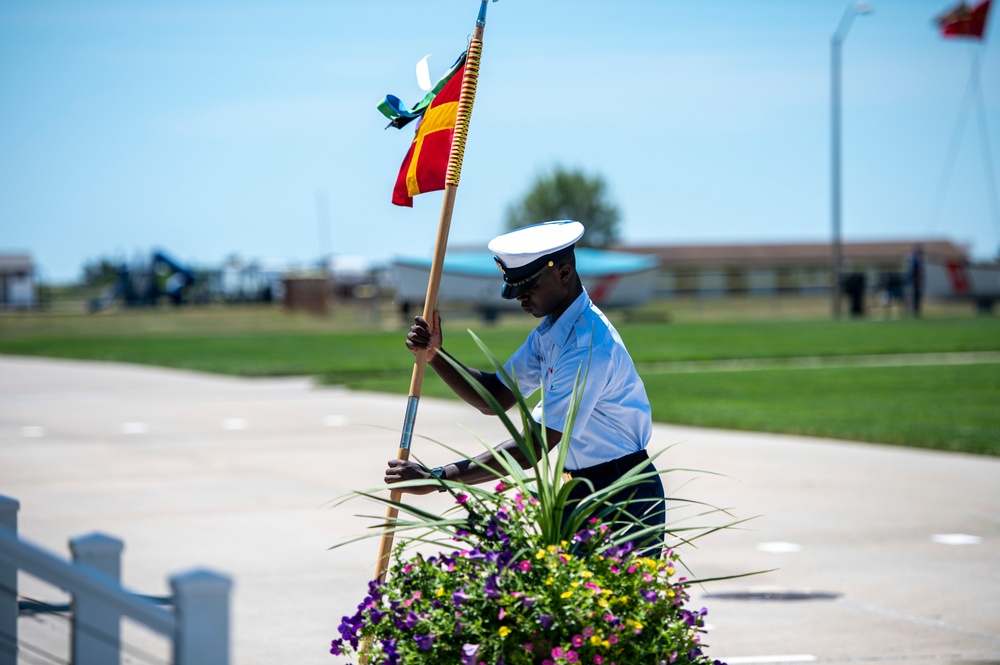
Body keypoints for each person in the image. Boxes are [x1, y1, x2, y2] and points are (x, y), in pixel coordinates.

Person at [384, 220, 664, 548]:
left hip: (623, 495)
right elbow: (496, 397)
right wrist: (436, 356)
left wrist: (439, 478)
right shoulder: (551, 333)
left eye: (528, 288)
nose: (521, 299)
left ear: (563, 273)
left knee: (608, 600)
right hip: (583, 489)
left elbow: (533, 447)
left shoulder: (587, 345)